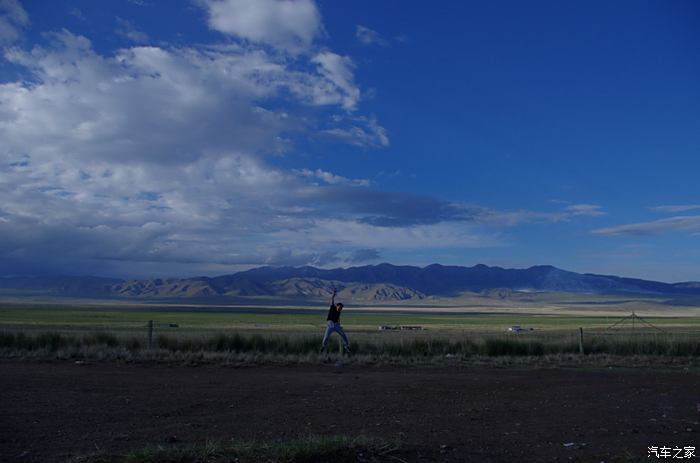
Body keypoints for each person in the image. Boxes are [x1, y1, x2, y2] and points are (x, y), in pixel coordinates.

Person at [320, 288, 351, 354]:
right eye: (339, 307)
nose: (340, 309)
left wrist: (339, 325)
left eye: (341, 308)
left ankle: (347, 347)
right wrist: (334, 294)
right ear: (337, 306)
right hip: (330, 324)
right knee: (326, 337)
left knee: (343, 335)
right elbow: (332, 300)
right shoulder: (332, 307)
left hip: (336, 324)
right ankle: (323, 347)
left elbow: (338, 318)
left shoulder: (339, 312)